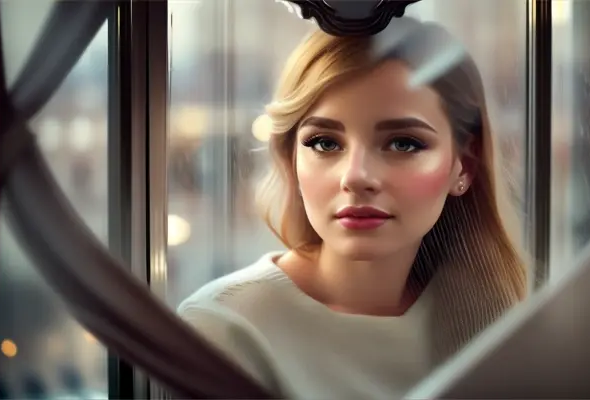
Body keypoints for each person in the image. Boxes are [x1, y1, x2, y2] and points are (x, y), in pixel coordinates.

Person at [178, 17, 528, 399]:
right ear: (290, 160)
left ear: (465, 164)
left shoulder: (503, 323)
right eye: (325, 143)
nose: (356, 176)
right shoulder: (223, 331)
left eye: (403, 144)